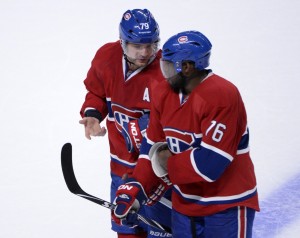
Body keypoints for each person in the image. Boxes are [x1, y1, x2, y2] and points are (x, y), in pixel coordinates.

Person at [113, 30, 260, 237]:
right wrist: (138, 188)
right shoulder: (163, 93)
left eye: (168, 66)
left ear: (188, 67)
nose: (163, 72)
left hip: (226, 205)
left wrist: (165, 164)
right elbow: (151, 146)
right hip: (184, 207)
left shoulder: (223, 95)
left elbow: (210, 164)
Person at [79, 9, 172, 238]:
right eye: (137, 46)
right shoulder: (106, 58)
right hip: (120, 168)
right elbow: (96, 91)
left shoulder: (166, 74)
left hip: (156, 172)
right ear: (122, 42)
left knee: (162, 232)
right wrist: (93, 113)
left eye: (151, 45)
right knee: (127, 231)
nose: (145, 52)